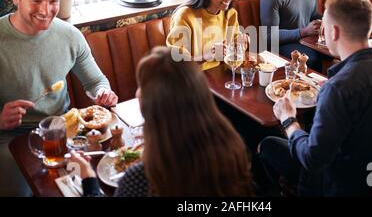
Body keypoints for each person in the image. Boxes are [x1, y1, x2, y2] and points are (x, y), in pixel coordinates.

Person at [258, 0, 372, 196]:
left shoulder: (339, 89)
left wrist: (288, 119)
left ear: (333, 32)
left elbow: (313, 159)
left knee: (268, 144)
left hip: (341, 185)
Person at [69, 46, 254, 196]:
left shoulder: (140, 178)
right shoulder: (233, 147)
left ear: (151, 106)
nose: (137, 92)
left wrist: (88, 179)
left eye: (141, 86)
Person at [0, 0, 118, 196]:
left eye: (53, 1)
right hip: (11, 138)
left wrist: (102, 93)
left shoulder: (70, 36)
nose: (46, 11)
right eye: (36, 1)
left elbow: (96, 82)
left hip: (64, 131)